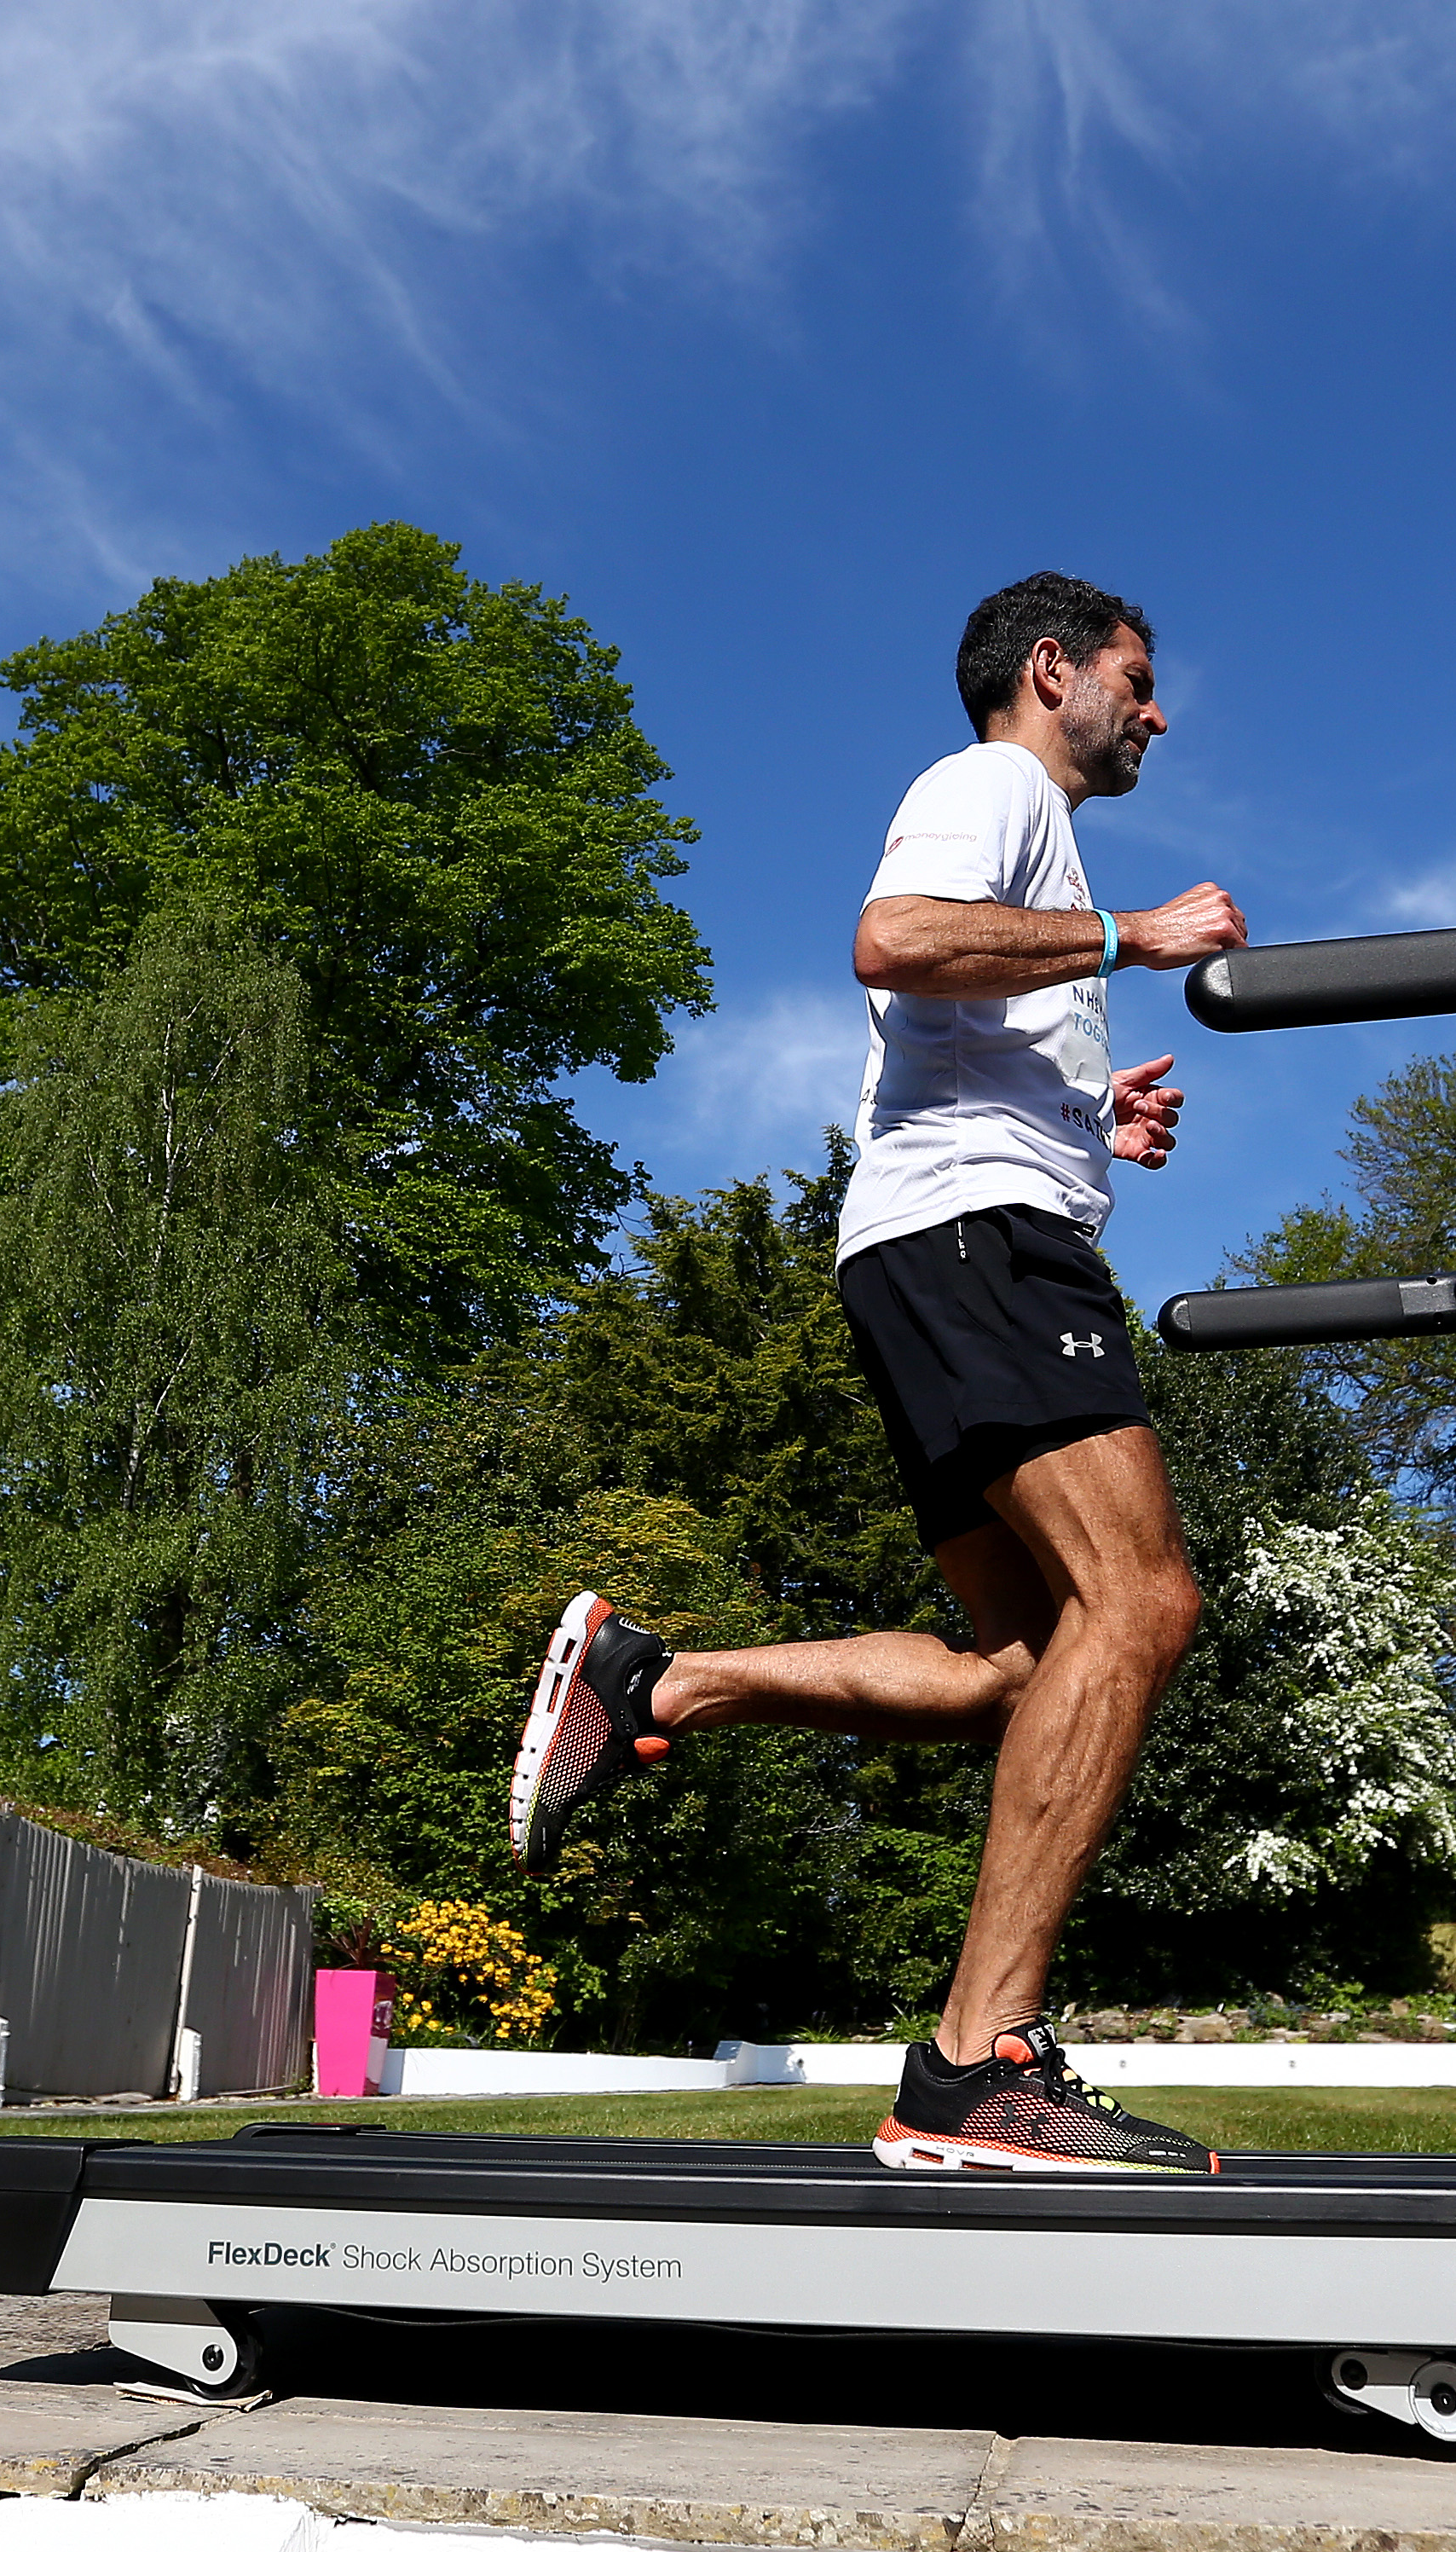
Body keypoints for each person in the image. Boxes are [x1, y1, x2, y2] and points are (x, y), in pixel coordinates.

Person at [506, 571, 1249, 2174]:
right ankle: (981, 2070)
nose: (1158, 710)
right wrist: (1136, 933)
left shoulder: (1027, 834)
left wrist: (1088, 1118)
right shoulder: (993, 785)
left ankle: (661, 1680)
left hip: (952, 1228)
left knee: (1019, 1663)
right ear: (1053, 671)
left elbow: (946, 1027)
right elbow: (896, 943)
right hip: (981, 1240)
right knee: (1144, 1604)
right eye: (1138, 676)